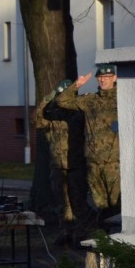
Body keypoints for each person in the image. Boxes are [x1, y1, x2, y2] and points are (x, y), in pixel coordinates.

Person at [53, 63, 120, 221]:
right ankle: (105, 239)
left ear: (114, 78)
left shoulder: (122, 98)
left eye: (107, 77)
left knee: (117, 204)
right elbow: (62, 102)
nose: (103, 80)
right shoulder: (90, 100)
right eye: (100, 77)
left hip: (114, 162)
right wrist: (77, 85)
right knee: (100, 205)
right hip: (93, 161)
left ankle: (118, 240)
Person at [37, 81, 92, 246]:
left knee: (78, 201)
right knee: (62, 202)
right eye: (58, 94)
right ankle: (65, 232)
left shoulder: (79, 112)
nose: (60, 98)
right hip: (57, 164)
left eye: (63, 94)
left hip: (75, 164)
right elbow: (38, 120)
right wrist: (48, 98)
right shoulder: (52, 114)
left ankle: (80, 234)